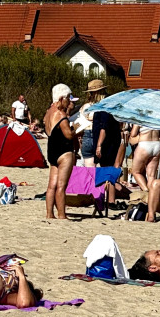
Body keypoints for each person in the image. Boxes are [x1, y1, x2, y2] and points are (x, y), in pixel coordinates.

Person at [44, 84, 79, 220]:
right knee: (61, 186)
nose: (69, 102)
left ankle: (49, 214)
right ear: (61, 98)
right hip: (63, 151)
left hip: (52, 150)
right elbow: (69, 135)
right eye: (68, 99)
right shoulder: (60, 114)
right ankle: (61, 214)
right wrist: (77, 130)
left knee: (51, 185)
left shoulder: (48, 113)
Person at [77, 79, 108, 167]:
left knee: (90, 170)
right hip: (101, 135)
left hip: (86, 135)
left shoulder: (85, 107)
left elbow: (78, 123)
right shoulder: (105, 107)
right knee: (105, 168)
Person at [129, 124, 160, 190]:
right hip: (156, 144)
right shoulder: (157, 118)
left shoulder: (140, 117)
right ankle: (151, 193)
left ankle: (145, 190)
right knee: (151, 175)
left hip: (144, 144)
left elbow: (133, 134)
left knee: (136, 172)